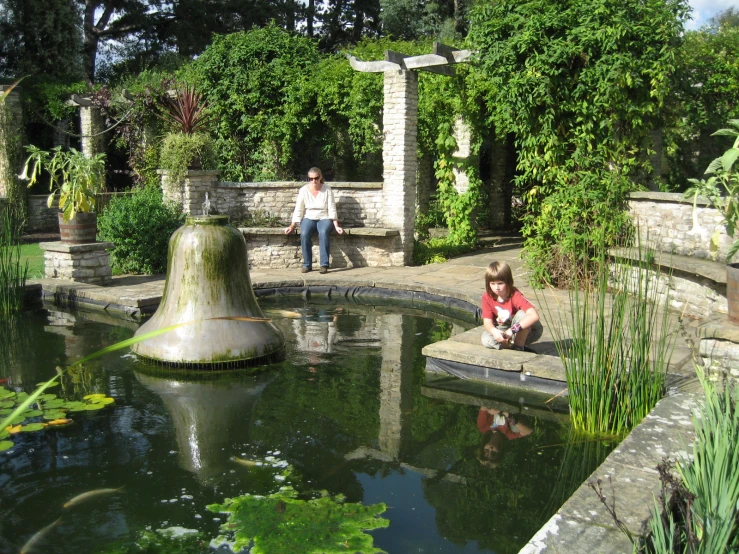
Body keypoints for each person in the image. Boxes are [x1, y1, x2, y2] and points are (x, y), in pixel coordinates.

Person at [284, 167, 344, 274]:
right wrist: (292, 225)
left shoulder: (327, 189)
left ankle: (324, 264)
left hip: (324, 217)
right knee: (304, 233)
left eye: (316, 178)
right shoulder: (303, 190)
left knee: (323, 232)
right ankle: (307, 264)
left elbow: (331, 208)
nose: (313, 181)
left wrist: (336, 226)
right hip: (309, 217)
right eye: (310, 179)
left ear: (320, 177)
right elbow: (299, 208)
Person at [481, 261, 540, 351]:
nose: (496, 287)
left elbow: (534, 315)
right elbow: (487, 322)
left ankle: (519, 346)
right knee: (486, 339)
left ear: (508, 282)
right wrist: (494, 331)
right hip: (502, 327)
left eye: (500, 283)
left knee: (522, 314)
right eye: (492, 284)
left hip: (520, 330)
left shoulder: (515, 295)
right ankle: (511, 345)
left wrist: (511, 331)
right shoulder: (487, 297)